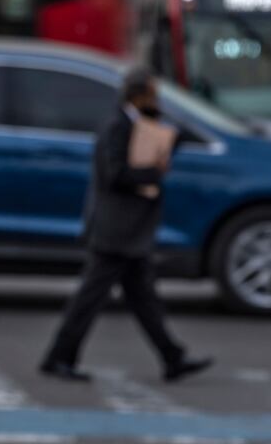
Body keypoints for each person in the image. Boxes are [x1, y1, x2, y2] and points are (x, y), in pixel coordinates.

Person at [39, 68, 213, 384]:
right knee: (90, 299)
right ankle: (59, 357)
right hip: (114, 231)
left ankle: (173, 357)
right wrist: (153, 173)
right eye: (153, 95)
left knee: (144, 299)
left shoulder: (137, 125)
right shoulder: (117, 127)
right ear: (139, 96)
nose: (157, 101)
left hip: (128, 232)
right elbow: (114, 175)